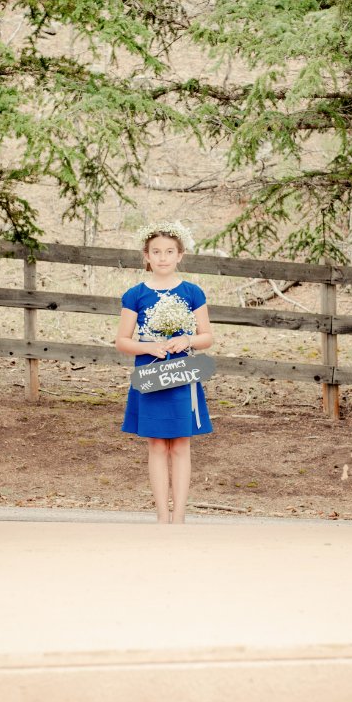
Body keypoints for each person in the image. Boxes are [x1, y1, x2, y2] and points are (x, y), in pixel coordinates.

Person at [115, 221, 215, 524]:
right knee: (157, 443)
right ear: (146, 256)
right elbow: (122, 341)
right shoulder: (135, 295)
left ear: (180, 255)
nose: (162, 257)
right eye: (156, 252)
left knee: (181, 443)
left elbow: (207, 336)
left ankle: (180, 516)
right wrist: (148, 347)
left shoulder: (192, 292)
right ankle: (161, 517)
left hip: (183, 373)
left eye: (169, 251)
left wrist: (187, 339)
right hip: (150, 375)